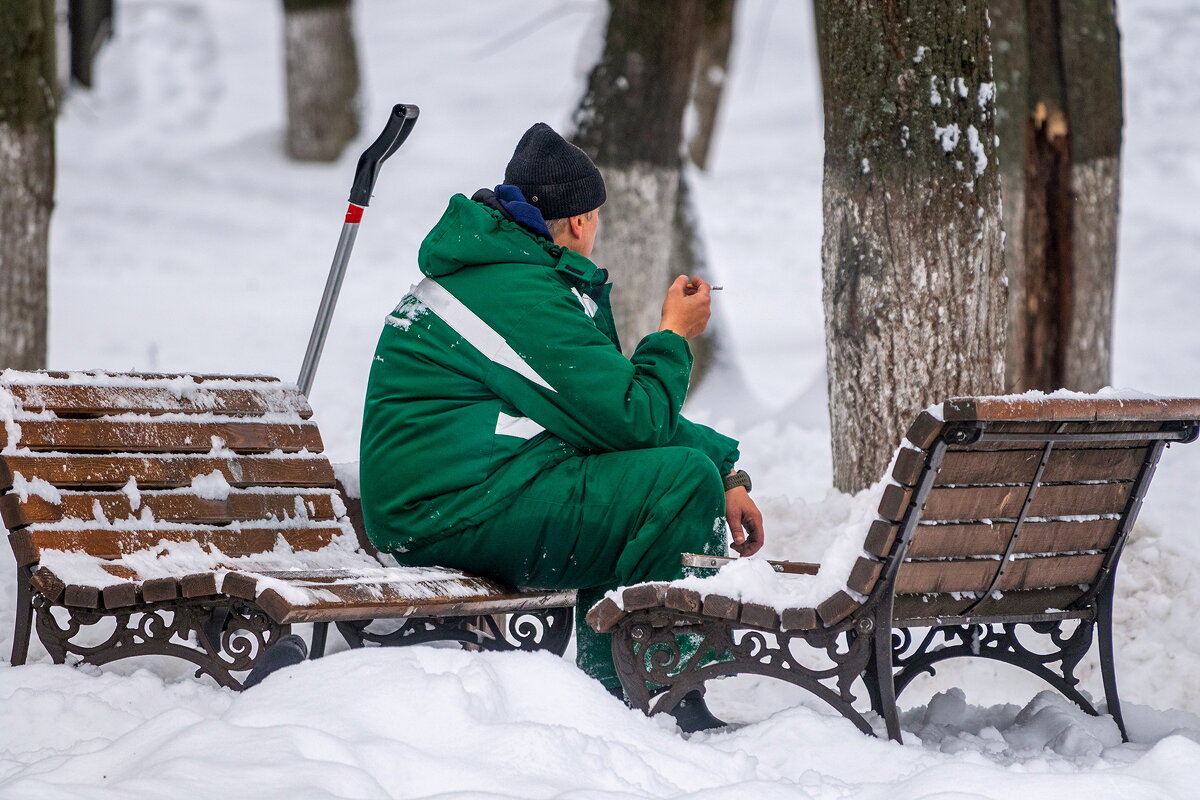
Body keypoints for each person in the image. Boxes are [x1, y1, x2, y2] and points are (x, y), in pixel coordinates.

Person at [358, 123, 764, 731]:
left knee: (653, 482)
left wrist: (726, 470)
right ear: (579, 222)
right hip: (445, 513)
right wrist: (675, 335)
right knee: (673, 483)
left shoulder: (508, 273)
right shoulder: (513, 292)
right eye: (595, 218)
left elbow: (600, 419)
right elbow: (631, 419)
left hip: (471, 492)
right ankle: (665, 696)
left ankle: (622, 698)